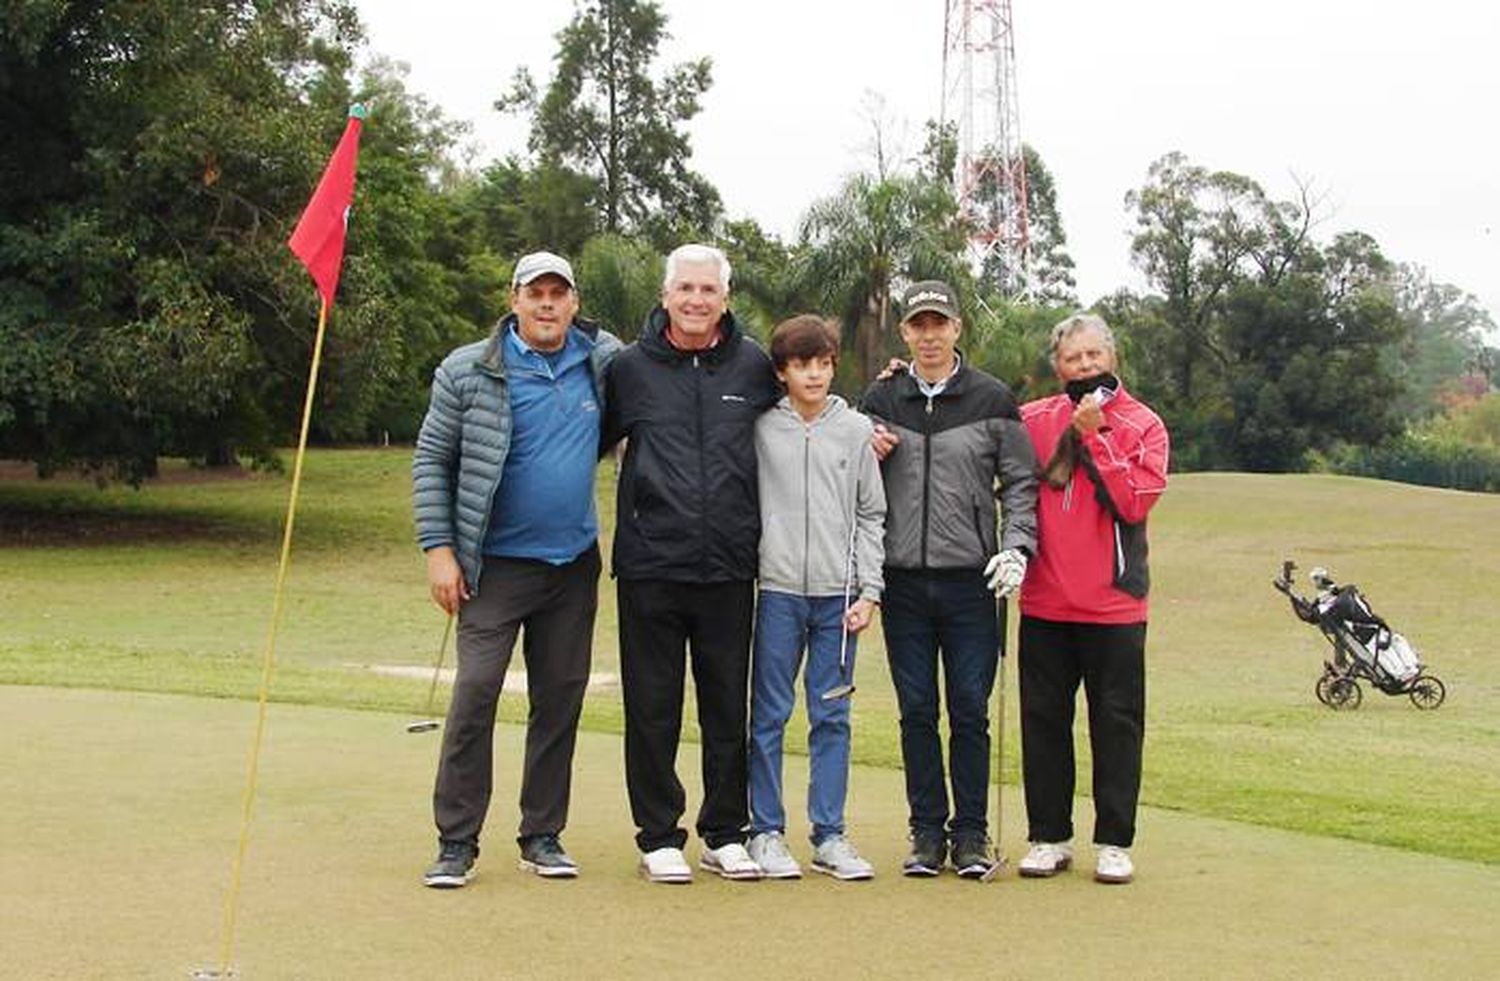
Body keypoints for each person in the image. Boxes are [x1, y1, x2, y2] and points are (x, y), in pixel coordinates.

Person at [411, 251, 622, 888]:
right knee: (475, 696)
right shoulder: (468, 369)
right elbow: (430, 463)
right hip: (493, 567)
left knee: (559, 701)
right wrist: (438, 550)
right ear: (514, 299)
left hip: (572, 565)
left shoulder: (602, 362)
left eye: (560, 293)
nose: (548, 304)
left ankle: (542, 835)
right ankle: (456, 841)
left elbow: (676, 354)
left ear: (575, 304)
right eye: (537, 293)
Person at [602, 243, 781, 883]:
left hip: (731, 564)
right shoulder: (628, 368)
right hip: (651, 564)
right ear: (666, 296)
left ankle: (723, 832)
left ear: (725, 298)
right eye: (686, 290)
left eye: (709, 290)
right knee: (652, 706)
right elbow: (587, 439)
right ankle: (658, 835)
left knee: (726, 704)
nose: (697, 301)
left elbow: (803, 415)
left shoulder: (754, 365)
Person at [861, 280, 1038, 879]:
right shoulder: (881, 399)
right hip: (902, 579)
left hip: (971, 581)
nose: (929, 335)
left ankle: (971, 834)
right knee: (916, 710)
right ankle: (926, 834)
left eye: (939, 324)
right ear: (905, 332)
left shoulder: (992, 399)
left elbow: (1019, 484)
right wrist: (868, 452)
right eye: (919, 325)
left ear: (957, 328)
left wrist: (1016, 547)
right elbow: (852, 478)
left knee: (969, 708)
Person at [1015, 312, 1168, 886]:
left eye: (1092, 357)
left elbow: (1135, 502)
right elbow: (978, 428)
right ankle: (1049, 836)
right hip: (1046, 601)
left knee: (1117, 723)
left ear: (1112, 359)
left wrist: (1096, 435)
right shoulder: (1034, 419)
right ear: (1058, 366)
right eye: (1072, 359)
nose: (1083, 367)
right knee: (1044, 722)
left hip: (1114, 606)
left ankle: (1114, 841)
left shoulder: (1143, 424)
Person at [747, 315, 887, 881]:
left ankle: (829, 836)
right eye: (802, 365)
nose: (814, 374)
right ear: (781, 371)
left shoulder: (855, 430)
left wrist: (869, 590)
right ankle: (766, 832)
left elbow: (870, 513)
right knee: (769, 716)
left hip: (839, 600)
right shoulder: (761, 426)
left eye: (824, 363)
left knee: (832, 715)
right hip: (777, 593)